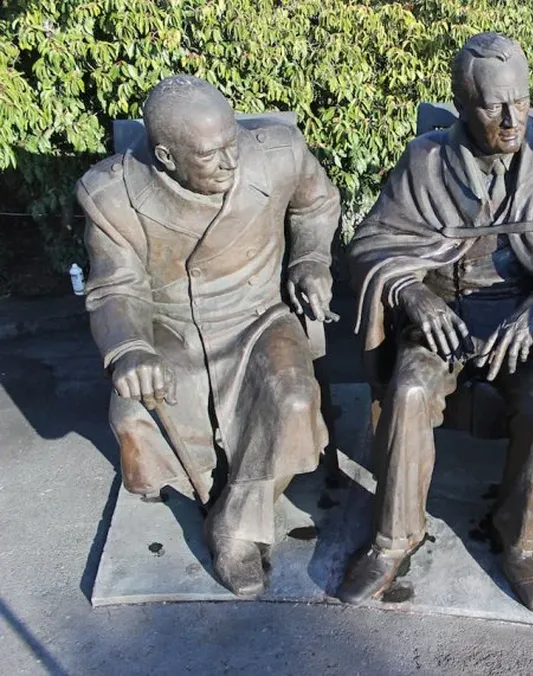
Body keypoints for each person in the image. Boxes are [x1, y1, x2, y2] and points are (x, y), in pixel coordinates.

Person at [340, 32, 533, 612]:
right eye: (494, 105)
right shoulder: (425, 161)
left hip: (530, 319)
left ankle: (523, 543)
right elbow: (372, 243)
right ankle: (394, 538)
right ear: (463, 105)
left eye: (520, 99)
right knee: (412, 387)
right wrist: (411, 293)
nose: (512, 117)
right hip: (443, 313)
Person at [78, 75, 341, 595]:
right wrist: (130, 349)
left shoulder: (278, 152)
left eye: (231, 143)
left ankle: (234, 526)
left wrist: (310, 258)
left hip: (259, 315)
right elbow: (116, 288)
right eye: (209, 155)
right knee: (133, 412)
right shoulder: (112, 194)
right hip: (170, 328)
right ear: (166, 157)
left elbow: (317, 205)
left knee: (291, 399)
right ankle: (235, 495)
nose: (229, 162)